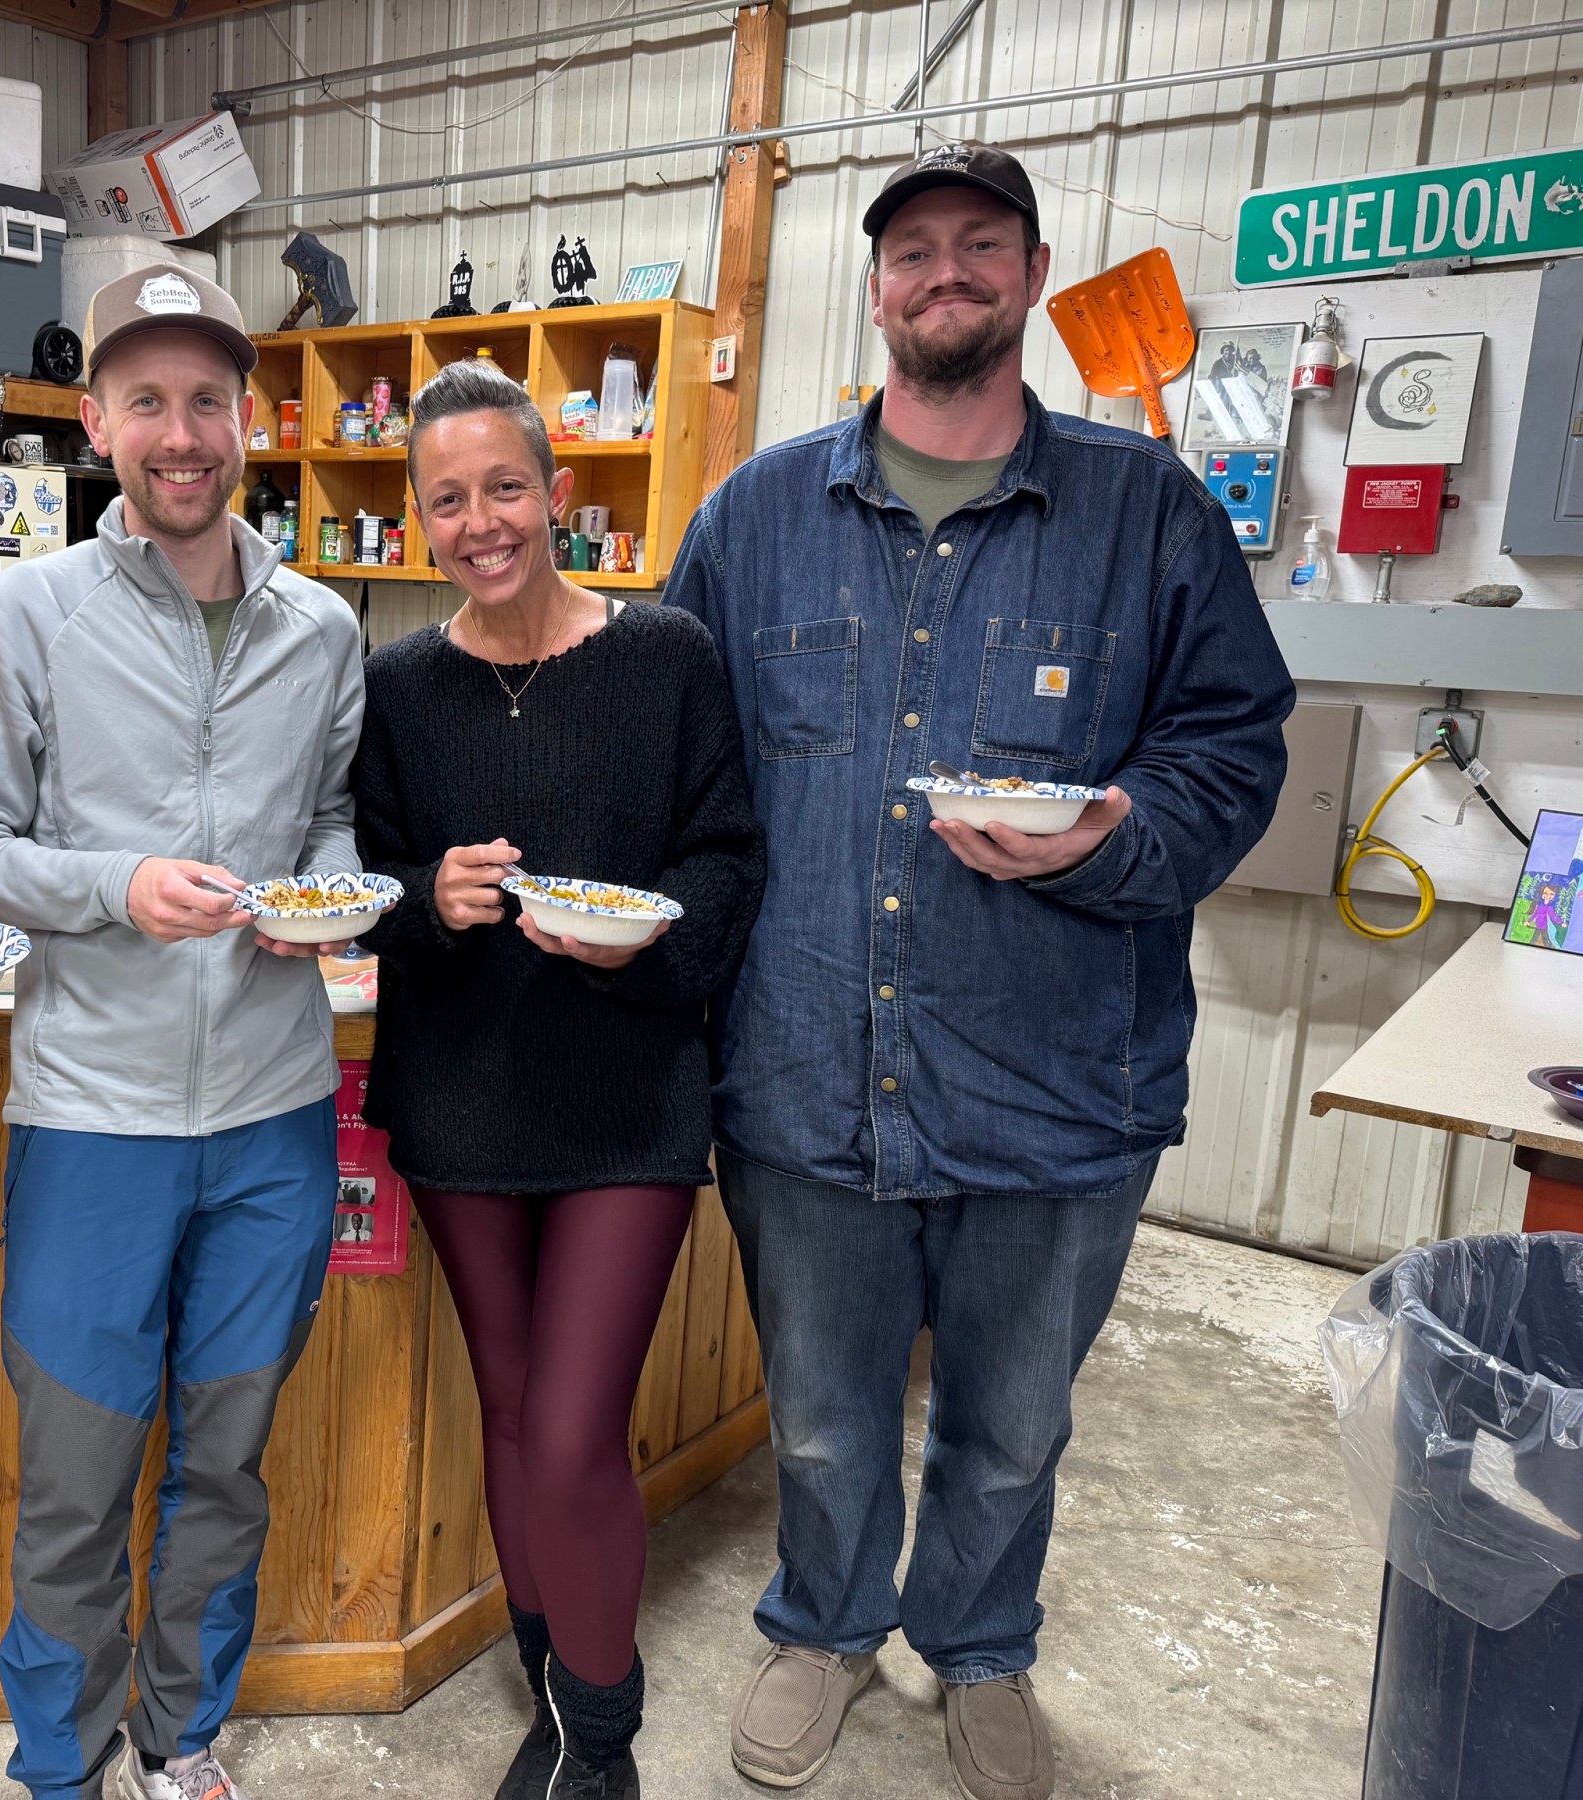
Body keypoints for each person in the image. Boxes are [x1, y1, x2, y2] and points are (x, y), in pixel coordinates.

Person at [669, 144, 1293, 1800]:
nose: (946, 273)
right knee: (820, 1416)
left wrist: (1113, 837)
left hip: (1059, 1084)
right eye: (915, 251)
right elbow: (676, 761)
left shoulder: (1145, 513)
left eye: (981, 246)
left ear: (1025, 275)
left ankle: (982, 1651)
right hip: (806, 1072)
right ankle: (821, 1626)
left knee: (1013, 1427)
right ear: (876, 289)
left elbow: (1233, 749)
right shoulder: (751, 523)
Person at [0, 264, 366, 1800]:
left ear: (250, 419)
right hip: (91, 1117)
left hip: (276, 1112)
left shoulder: (322, 624)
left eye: (210, 401)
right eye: (149, 401)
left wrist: (337, 899)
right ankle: (63, 1762)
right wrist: (114, 887)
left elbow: (334, 824)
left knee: (224, 1469)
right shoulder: (29, 612)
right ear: (96, 420)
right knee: (77, 1481)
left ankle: (182, 1739)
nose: (183, 434)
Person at [353, 362, 764, 1800]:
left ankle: (604, 1748)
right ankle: (554, 1687)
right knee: (515, 1412)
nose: (482, 522)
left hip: (630, 1093)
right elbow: (363, 879)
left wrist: (643, 942)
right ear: (417, 518)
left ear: (560, 494)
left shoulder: (667, 660)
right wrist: (428, 897)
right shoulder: (396, 686)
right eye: (448, 498)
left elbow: (727, 860)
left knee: (582, 1428)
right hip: (463, 1093)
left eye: (506, 488)